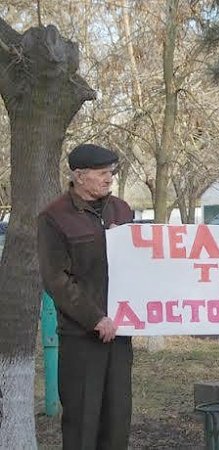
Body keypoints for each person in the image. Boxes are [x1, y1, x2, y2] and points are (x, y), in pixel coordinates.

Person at [38, 144, 134, 450]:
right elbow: (56, 279)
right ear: (80, 176)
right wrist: (94, 318)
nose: (109, 179)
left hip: (120, 335)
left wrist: (128, 242)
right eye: (102, 173)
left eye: (111, 172)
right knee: (82, 423)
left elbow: (140, 265)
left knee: (117, 421)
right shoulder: (54, 217)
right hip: (81, 337)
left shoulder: (121, 209)